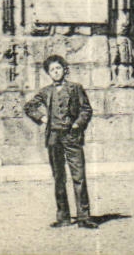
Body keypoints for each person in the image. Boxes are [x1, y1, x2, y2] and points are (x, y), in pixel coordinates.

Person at [23, 54, 96, 228]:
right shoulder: (46, 92)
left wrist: (78, 124)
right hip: (54, 138)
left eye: (58, 68)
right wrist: (42, 118)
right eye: (52, 70)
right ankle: (63, 217)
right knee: (59, 178)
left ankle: (83, 217)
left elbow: (86, 109)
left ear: (65, 69)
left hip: (72, 137)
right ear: (49, 73)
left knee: (78, 176)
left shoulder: (75, 88)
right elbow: (29, 107)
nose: (56, 72)